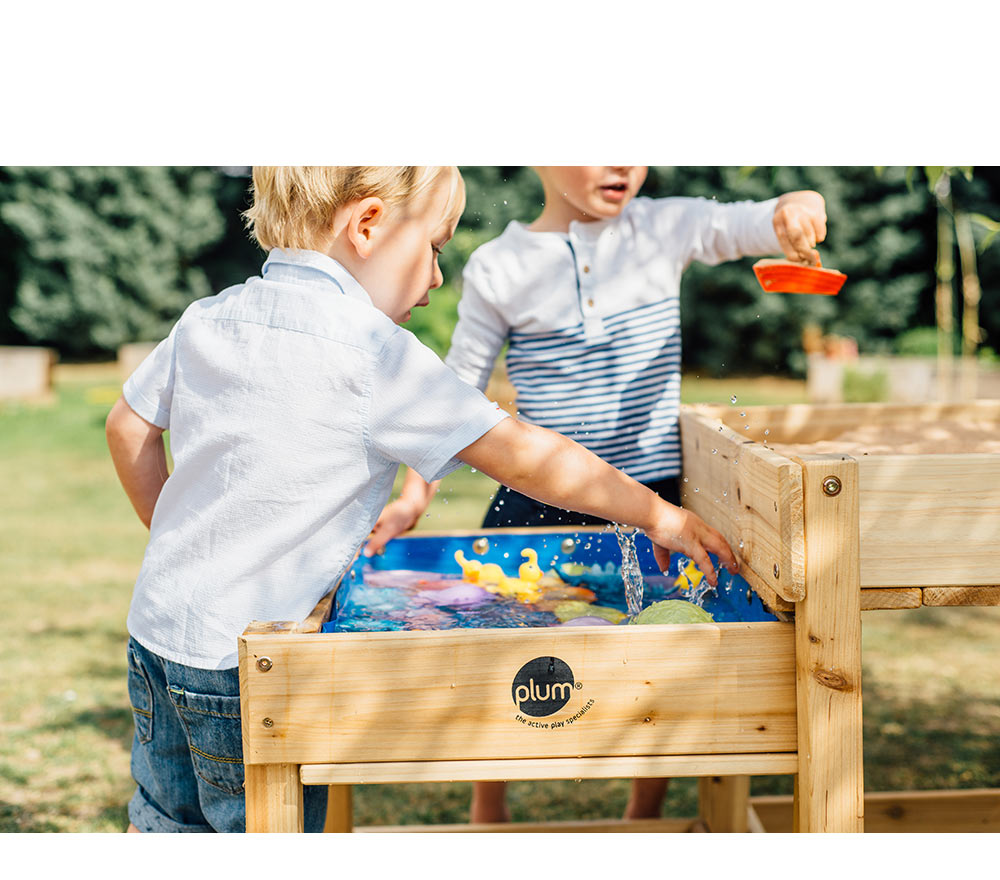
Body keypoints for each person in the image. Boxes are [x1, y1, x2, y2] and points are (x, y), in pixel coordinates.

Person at [105, 165, 740, 833]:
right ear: (368, 225)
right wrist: (657, 513)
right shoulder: (376, 354)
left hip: (157, 630)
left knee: (165, 824)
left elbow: (128, 428)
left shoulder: (213, 314)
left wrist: (171, 534)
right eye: (435, 249)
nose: (438, 279)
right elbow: (525, 456)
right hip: (250, 665)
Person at [366, 165, 828, 824]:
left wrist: (791, 208)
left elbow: (741, 223)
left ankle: (645, 818)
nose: (621, 164)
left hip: (653, 501)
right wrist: (413, 499)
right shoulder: (503, 265)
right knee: (511, 659)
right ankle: (488, 810)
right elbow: (457, 394)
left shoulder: (664, 227)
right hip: (534, 508)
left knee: (656, 661)